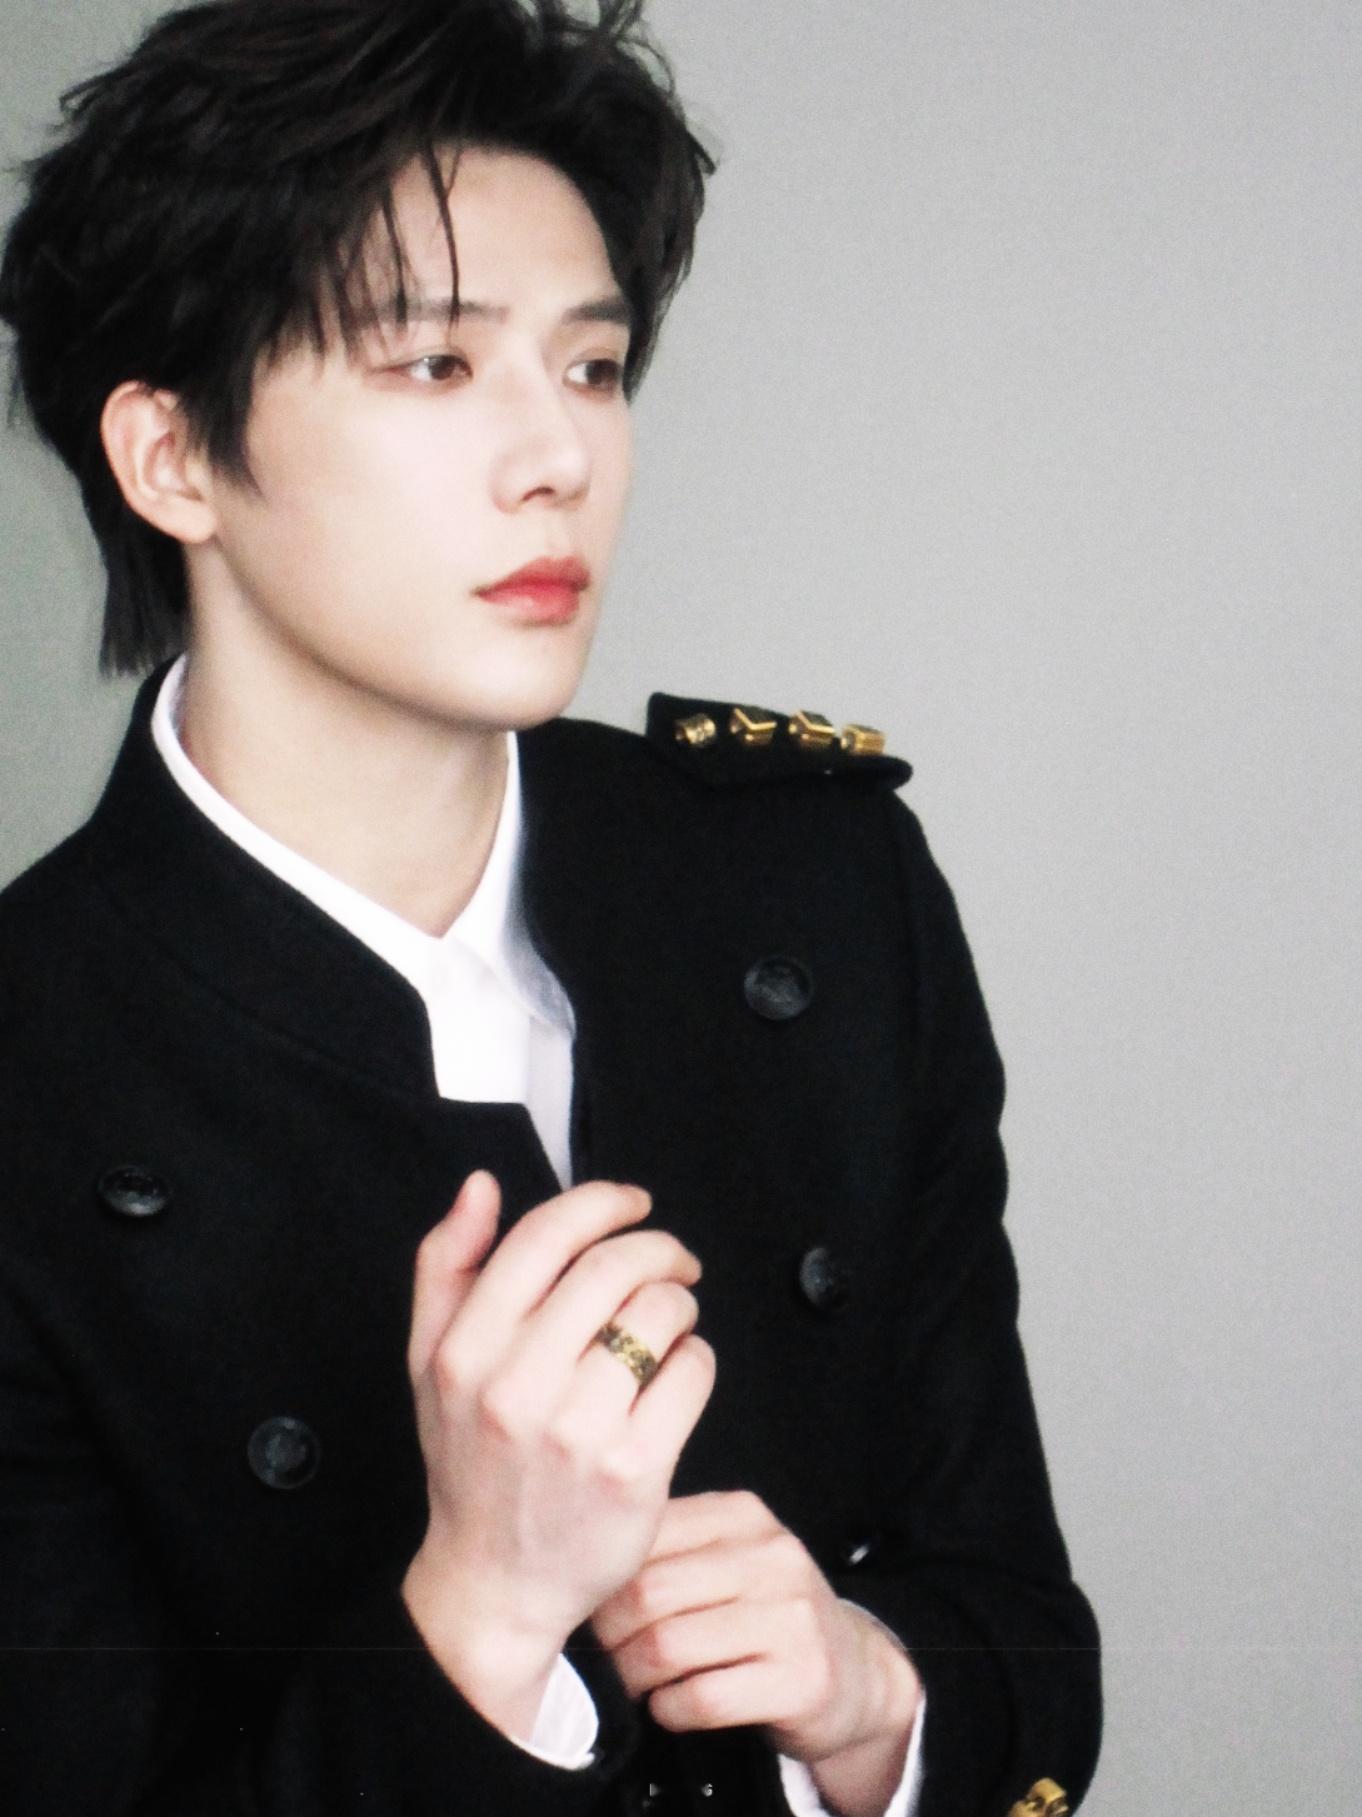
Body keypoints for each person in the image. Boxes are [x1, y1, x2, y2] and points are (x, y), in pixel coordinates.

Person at [0, 2, 1101, 1813]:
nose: (560, 457)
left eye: (590, 367)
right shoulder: (34, 1073)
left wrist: (867, 1701)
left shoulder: (824, 894)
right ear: (171, 453)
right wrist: (481, 1610)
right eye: (436, 365)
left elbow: (1016, 1627)